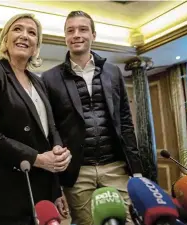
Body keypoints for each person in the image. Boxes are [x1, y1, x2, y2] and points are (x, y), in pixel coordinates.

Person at [41, 11, 145, 225]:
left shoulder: (113, 72)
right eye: (70, 30)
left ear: (93, 35)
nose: (76, 35)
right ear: (65, 37)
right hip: (78, 173)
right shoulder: (49, 78)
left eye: (82, 29)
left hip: (116, 168)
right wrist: (55, 183)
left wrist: (137, 171)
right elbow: (52, 129)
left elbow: (125, 122)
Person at [0, 13, 71, 225]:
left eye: (32, 33)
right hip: (7, 190)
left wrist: (56, 184)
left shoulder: (39, 82)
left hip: (41, 188)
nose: (24, 35)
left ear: (36, 47)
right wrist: (39, 159)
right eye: (17, 29)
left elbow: (49, 133)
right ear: (5, 39)